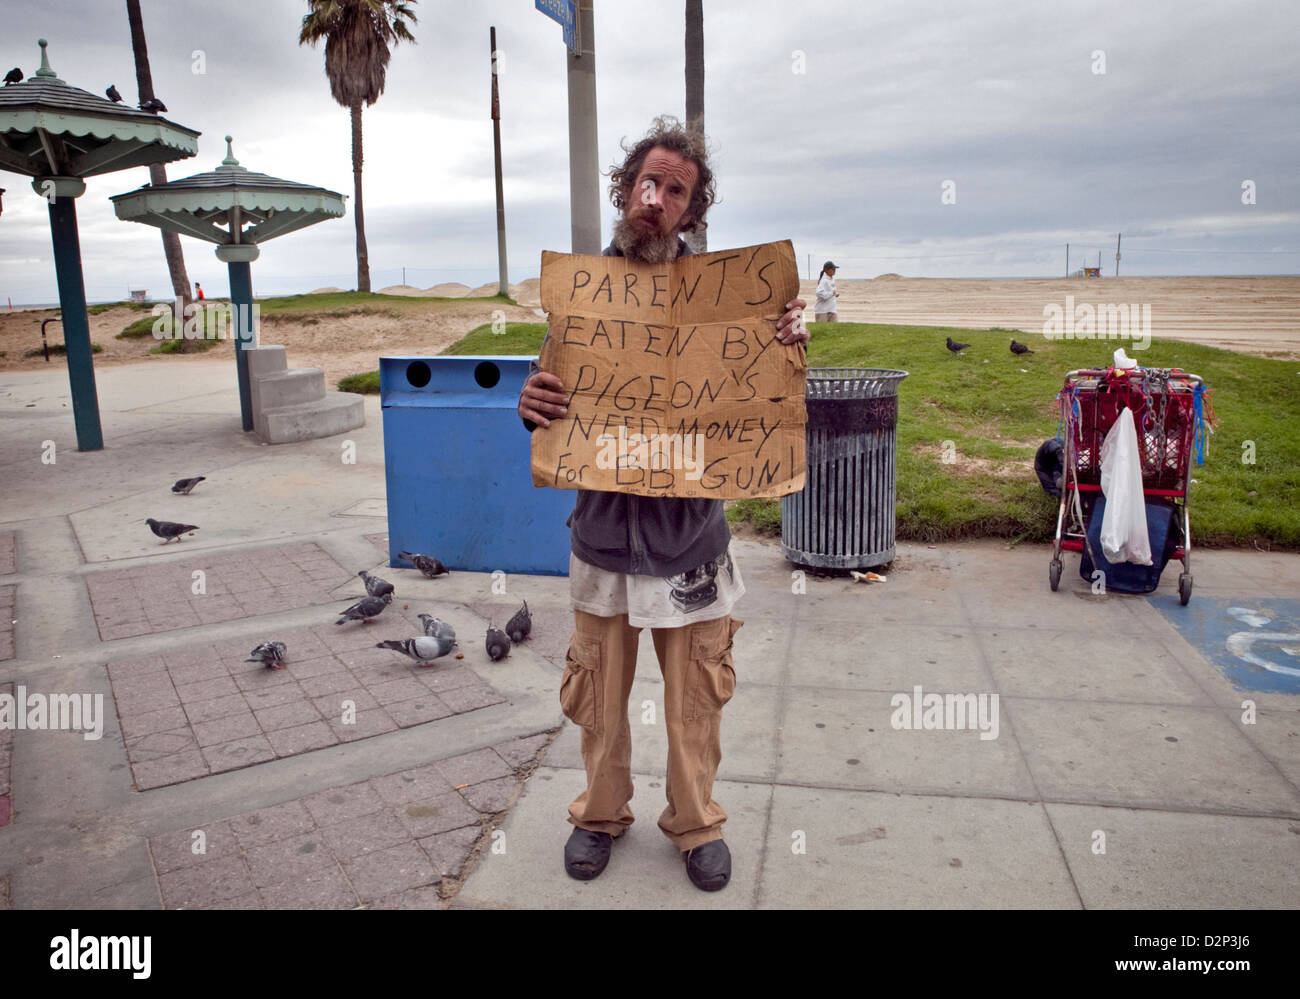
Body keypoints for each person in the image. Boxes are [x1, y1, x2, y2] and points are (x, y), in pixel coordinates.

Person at [517, 116, 809, 892]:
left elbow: (764, 396)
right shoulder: (581, 301)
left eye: (676, 189)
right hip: (604, 538)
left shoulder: (729, 305)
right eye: (648, 182)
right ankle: (599, 814)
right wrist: (531, 400)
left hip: (691, 544)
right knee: (599, 701)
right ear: (626, 190)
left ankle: (695, 822)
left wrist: (783, 342)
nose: (658, 198)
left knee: (694, 702)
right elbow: (549, 400)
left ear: (691, 208)